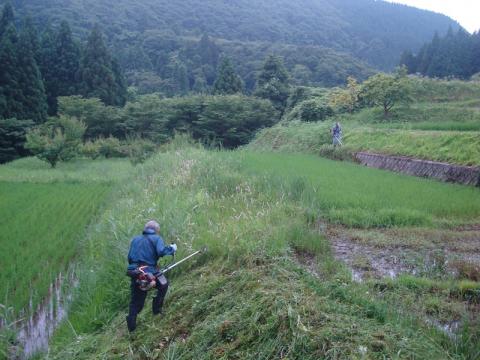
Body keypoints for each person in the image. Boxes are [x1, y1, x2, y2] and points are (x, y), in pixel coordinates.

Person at [126, 220, 177, 332]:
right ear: (156, 230)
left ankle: (131, 328)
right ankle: (157, 310)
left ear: (146, 229)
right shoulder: (156, 238)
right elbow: (161, 252)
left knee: (136, 301)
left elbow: (129, 257)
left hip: (133, 271)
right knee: (163, 284)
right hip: (147, 270)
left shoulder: (135, 239)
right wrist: (172, 248)